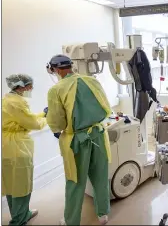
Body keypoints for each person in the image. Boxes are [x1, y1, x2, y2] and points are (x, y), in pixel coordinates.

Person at [45, 55, 112, 225]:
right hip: (98, 134)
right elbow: (106, 107)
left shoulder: (56, 90)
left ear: (56, 70)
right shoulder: (92, 81)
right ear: (71, 66)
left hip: (78, 141)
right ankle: (103, 214)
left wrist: (54, 125)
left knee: (75, 181)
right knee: (100, 176)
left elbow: (57, 122)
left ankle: (71, 221)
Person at [2, 74, 47, 225]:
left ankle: (19, 213)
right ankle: (20, 220)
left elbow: (23, 118)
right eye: (29, 86)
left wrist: (42, 113)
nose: (31, 89)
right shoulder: (18, 102)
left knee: (11, 182)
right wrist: (48, 117)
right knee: (21, 182)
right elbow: (33, 124)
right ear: (21, 86)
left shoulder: (7, 99)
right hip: (17, 145)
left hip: (6, 145)